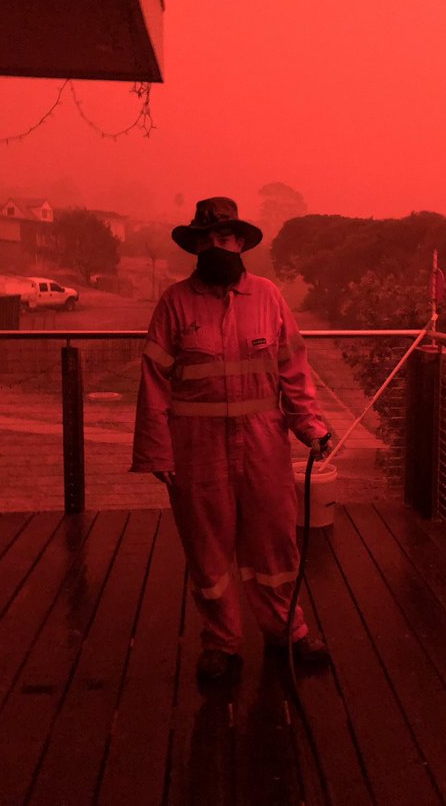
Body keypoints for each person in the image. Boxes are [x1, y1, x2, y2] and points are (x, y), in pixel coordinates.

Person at [131, 196, 333, 680]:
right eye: (207, 241)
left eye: (224, 238)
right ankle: (221, 643)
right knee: (207, 548)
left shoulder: (269, 297)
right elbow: (154, 381)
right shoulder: (175, 302)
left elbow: (293, 370)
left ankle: (287, 631)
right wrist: (157, 450)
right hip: (196, 449)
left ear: (240, 242)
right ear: (196, 246)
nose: (216, 247)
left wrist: (311, 426)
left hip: (264, 446)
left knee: (275, 542)